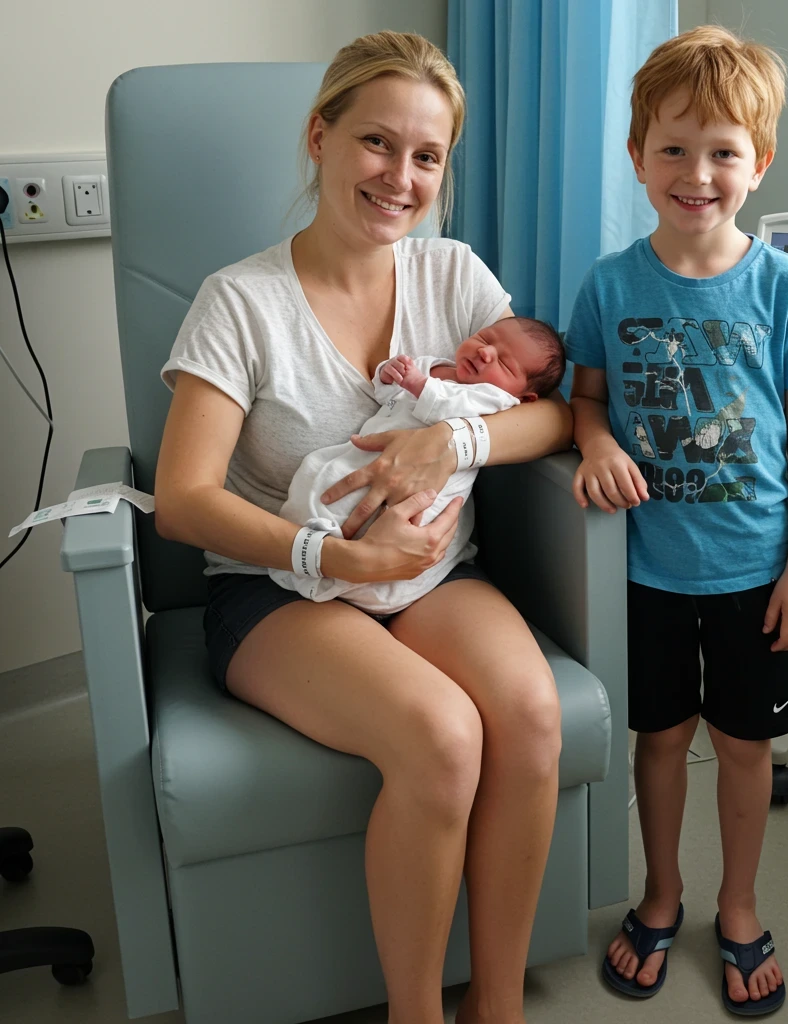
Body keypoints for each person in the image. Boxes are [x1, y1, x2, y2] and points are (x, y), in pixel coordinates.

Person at [154, 31, 571, 1024]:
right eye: (377, 143)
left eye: (427, 156)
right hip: (277, 587)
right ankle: (416, 1013)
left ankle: (498, 1006)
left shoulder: (452, 277)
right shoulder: (240, 302)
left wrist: (452, 447)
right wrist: (333, 550)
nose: (401, 176)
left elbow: (552, 413)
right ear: (320, 138)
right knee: (440, 733)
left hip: (429, 572)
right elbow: (183, 499)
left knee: (533, 714)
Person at [565, 25, 788, 1016]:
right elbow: (586, 399)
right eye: (673, 148)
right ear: (638, 158)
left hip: (754, 573)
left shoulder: (783, 287)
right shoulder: (608, 284)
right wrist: (595, 441)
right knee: (657, 739)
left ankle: (734, 903)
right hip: (643, 572)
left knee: (741, 747)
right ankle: (662, 891)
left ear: (757, 164)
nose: (697, 171)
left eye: (723, 150)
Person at [269, 316, 565, 613]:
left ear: (525, 397)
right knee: (319, 472)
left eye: (505, 364)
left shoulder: (497, 399)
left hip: (430, 488)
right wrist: (388, 373)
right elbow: (388, 395)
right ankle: (316, 538)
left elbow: (450, 405)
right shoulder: (432, 366)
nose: (486, 353)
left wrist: (418, 383)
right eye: (486, 339)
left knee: (399, 516)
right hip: (370, 457)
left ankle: (348, 569)